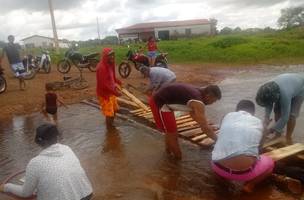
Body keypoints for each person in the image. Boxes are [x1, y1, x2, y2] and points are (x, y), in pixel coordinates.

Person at [0, 123, 93, 200]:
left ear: (38, 142)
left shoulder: (35, 163)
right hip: (86, 194)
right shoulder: (67, 149)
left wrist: (6, 187)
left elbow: (25, 193)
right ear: (57, 137)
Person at [211, 100, 274, 193]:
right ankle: (249, 185)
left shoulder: (226, 116)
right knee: (270, 163)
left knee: (219, 151)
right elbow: (259, 148)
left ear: (236, 110)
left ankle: (223, 181)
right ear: (253, 113)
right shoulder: (258, 122)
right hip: (243, 174)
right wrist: (265, 127)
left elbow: (223, 134)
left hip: (217, 167)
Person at [149, 83, 221, 160]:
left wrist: (205, 125)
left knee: (170, 131)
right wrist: (219, 141)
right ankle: (177, 161)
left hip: (166, 104)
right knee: (172, 134)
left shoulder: (198, 93)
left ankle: (168, 154)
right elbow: (205, 128)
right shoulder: (197, 101)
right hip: (159, 103)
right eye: (213, 101)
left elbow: (193, 114)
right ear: (209, 96)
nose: (212, 104)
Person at [256, 73, 304, 143]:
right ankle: (278, 134)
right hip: (287, 83)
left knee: (291, 115)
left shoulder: (285, 94)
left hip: (300, 89)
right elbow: (268, 103)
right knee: (277, 110)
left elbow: (285, 116)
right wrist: (266, 117)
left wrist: (270, 130)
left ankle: (288, 137)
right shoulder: (265, 88)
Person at [96, 48, 122, 129]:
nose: (112, 57)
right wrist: (116, 93)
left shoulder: (111, 64)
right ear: (105, 57)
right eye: (110, 55)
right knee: (109, 113)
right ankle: (109, 130)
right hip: (105, 94)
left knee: (114, 110)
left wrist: (118, 82)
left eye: (113, 55)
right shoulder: (101, 68)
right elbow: (104, 85)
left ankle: (111, 125)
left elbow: (112, 77)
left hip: (111, 91)